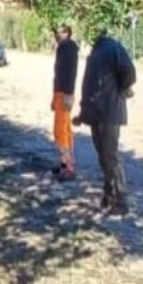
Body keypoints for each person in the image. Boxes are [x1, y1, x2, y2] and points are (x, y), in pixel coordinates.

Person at [72, 29, 137, 215]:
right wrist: (83, 114)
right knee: (104, 158)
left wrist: (122, 89)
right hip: (96, 114)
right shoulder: (95, 52)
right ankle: (109, 196)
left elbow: (129, 73)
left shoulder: (112, 48)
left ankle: (121, 201)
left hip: (109, 113)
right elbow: (89, 87)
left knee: (110, 157)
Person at [50, 24, 79, 181]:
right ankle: (65, 162)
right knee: (65, 128)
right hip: (60, 93)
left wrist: (68, 94)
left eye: (60, 32)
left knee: (60, 131)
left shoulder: (68, 47)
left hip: (64, 94)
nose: (57, 34)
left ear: (67, 32)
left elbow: (70, 73)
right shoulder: (65, 47)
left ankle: (68, 166)